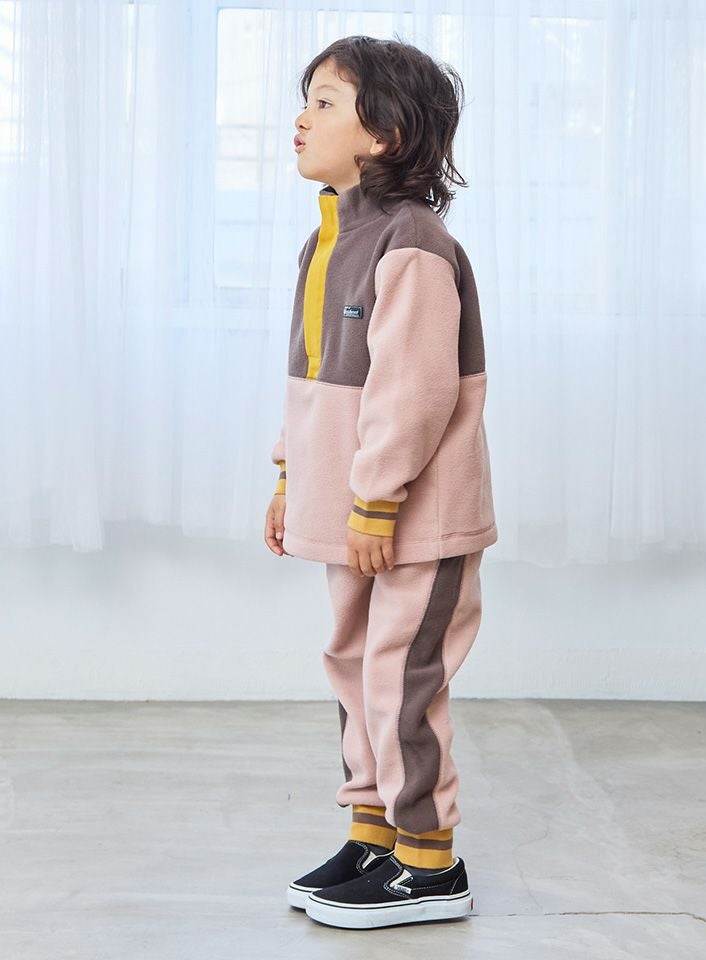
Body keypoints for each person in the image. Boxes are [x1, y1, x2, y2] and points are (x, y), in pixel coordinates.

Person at [263, 34, 497, 930]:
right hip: (351, 510)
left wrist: (376, 498)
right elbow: (313, 379)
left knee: (404, 678)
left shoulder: (414, 243)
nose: (301, 118)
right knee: (354, 669)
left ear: (384, 134)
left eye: (324, 102)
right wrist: (290, 476)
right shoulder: (328, 240)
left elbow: (415, 391)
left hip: (411, 517)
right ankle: (373, 833)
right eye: (306, 100)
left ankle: (430, 861)